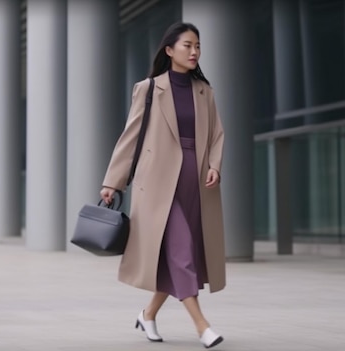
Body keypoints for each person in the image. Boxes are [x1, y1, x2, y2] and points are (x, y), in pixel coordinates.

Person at [100, 22, 226, 348]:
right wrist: (112, 182)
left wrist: (214, 164)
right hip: (157, 184)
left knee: (180, 256)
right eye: (187, 45)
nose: (194, 51)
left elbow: (216, 135)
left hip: (195, 183)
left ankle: (147, 315)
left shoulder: (205, 92)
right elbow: (131, 137)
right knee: (182, 253)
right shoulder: (148, 89)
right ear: (169, 50)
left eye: (197, 45)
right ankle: (203, 327)